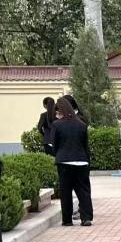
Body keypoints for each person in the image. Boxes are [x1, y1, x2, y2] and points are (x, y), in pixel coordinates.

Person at [50, 96, 93, 227]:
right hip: (81, 161)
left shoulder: (57, 125)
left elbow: (54, 144)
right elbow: (85, 145)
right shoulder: (81, 124)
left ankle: (67, 220)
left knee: (66, 191)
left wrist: (58, 155)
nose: (56, 115)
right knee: (83, 191)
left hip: (64, 161)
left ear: (60, 111)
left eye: (57, 112)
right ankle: (86, 218)